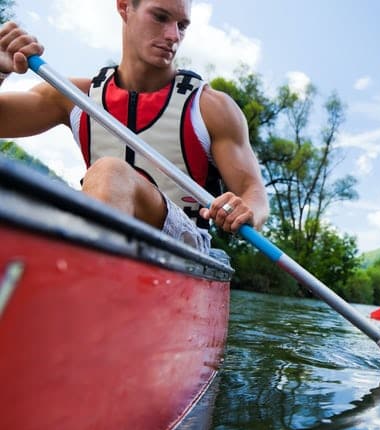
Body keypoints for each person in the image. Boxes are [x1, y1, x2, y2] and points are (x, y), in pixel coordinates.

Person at [0, 0, 268, 258]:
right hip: (98, 228)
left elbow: (254, 194)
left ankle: (78, 278)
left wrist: (247, 210)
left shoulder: (211, 107)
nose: (173, 35)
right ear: (124, 7)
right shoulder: (73, 96)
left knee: (110, 171)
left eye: (182, 25)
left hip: (184, 245)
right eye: (161, 17)